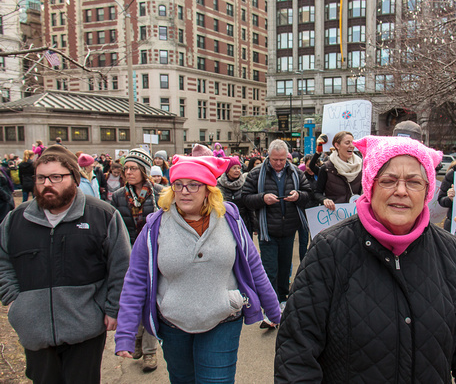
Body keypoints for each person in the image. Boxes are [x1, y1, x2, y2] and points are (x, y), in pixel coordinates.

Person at [275, 136, 456, 382]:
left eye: (413, 182)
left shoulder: (450, 252)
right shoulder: (328, 250)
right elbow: (296, 354)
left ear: (427, 190)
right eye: (389, 181)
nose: (401, 191)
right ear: (371, 186)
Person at [115, 155, 280, 382]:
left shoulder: (230, 218)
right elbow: (135, 281)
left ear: (208, 190)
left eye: (193, 185)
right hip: (173, 324)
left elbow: (255, 267)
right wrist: (126, 333)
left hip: (223, 319)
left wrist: (274, 312)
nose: (184, 191)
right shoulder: (155, 226)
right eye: (179, 185)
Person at [0, 145, 130, 384]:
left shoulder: (102, 215)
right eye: (41, 178)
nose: (47, 184)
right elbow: (3, 260)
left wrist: (112, 308)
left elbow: (121, 266)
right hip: (34, 328)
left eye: (56, 177)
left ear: (74, 178)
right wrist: (14, 299)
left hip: (85, 327)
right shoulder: (16, 220)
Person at [242, 140, 311, 328]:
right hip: (267, 232)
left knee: (284, 268)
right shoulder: (256, 174)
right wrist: (262, 198)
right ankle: (270, 309)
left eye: (282, 160)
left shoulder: (296, 172)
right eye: (275, 160)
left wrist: (298, 195)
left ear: (287, 157)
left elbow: (308, 194)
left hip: (289, 229)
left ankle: (283, 300)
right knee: (269, 270)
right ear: (268, 156)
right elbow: (245, 198)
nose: (279, 163)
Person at [111, 148, 164, 372]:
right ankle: (137, 339)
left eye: (133, 168)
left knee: (150, 301)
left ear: (143, 170)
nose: (129, 172)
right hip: (128, 255)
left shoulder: (160, 193)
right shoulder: (117, 196)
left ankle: (150, 352)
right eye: (126, 169)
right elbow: (114, 229)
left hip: (153, 254)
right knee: (134, 298)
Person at [314, 131, 363, 210]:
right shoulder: (326, 168)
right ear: (337, 145)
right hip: (335, 215)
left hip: (355, 214)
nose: (352, 146)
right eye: (347, 143)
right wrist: (325, 200)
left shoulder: (360, 166)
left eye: (353, 143)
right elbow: (317, 193)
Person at [217, 156, 252, 233]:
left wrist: (254, 226)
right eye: (234, 168)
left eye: (239, 168)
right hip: (225, 224)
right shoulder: (218, 185)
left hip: (243, 223)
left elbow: (249, 206)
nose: (237, 170)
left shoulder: (245, 183)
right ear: (227, 170)